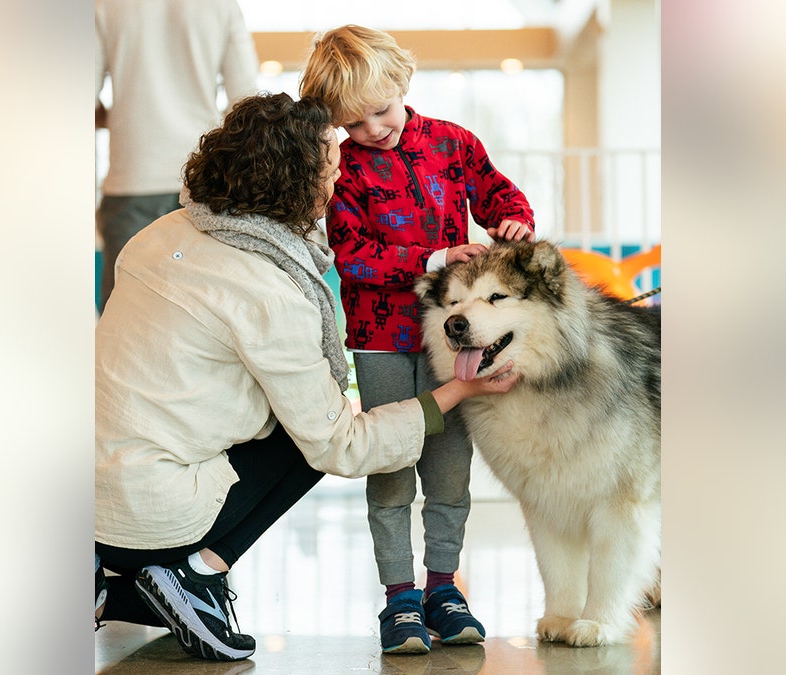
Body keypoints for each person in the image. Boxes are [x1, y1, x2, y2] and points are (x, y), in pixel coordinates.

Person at [94, 92, 520, 663]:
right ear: (298, 182)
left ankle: (106, 579)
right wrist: (460, 389)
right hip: (157, 511)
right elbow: (341, 444)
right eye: (329, 161)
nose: (341, 168)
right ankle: (194, 573)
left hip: (90, 494)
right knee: (309, 437)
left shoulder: (157, 234)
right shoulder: (272, 291)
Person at [299, 25, 536, 654]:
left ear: (402, 83)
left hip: (453, 340)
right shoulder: (341, 168)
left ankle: (443, 587)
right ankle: (399, 597)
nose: (373, 129)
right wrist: (433, 257)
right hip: (380, 339)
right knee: (391, 469)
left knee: (451, 470)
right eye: (354, 123)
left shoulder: (453, 144)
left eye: (380, 111)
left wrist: (514, 220)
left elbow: (499, 195)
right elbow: (350, 256)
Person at [94, 0, 258, 313]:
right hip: (203, 180)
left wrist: (118, 118)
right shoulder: (221, 6)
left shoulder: (105, 5)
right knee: (203, 318)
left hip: (133, 178)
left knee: (124, 320)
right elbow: (245, 98)